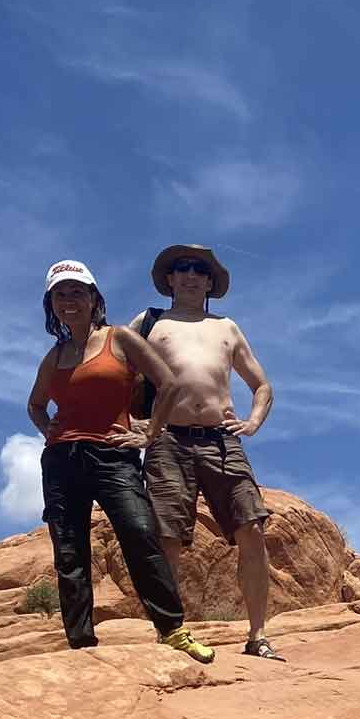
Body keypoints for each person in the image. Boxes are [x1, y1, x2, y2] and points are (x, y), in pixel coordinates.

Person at [26, 258, 214, 663]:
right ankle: (80, 643)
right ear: (51, 304)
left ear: (94, 298)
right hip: (62, 462)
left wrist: (150, 432)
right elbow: (36, 405)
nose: (68, 300)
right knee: (70, 554)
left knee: (141, 535)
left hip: (114, 455)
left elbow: (168, 383)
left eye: (77, 291)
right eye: (60, 294)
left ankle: (173, 631)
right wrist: (49, 432)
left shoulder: (120, 340)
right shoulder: (54, 356)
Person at [137, 243, 283, 660]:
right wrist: (134, 425)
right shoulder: (151, 323)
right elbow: (117, 371)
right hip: (167, 441)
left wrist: (253, 422)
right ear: (169, 278)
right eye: (181, 268)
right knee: (168, 538)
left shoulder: (226, 327)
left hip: (221, 440)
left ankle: (257, 636)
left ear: (210, 282)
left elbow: (262, 385)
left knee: (252, 528)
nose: (190, 275)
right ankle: (168, 633)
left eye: (199, 270)